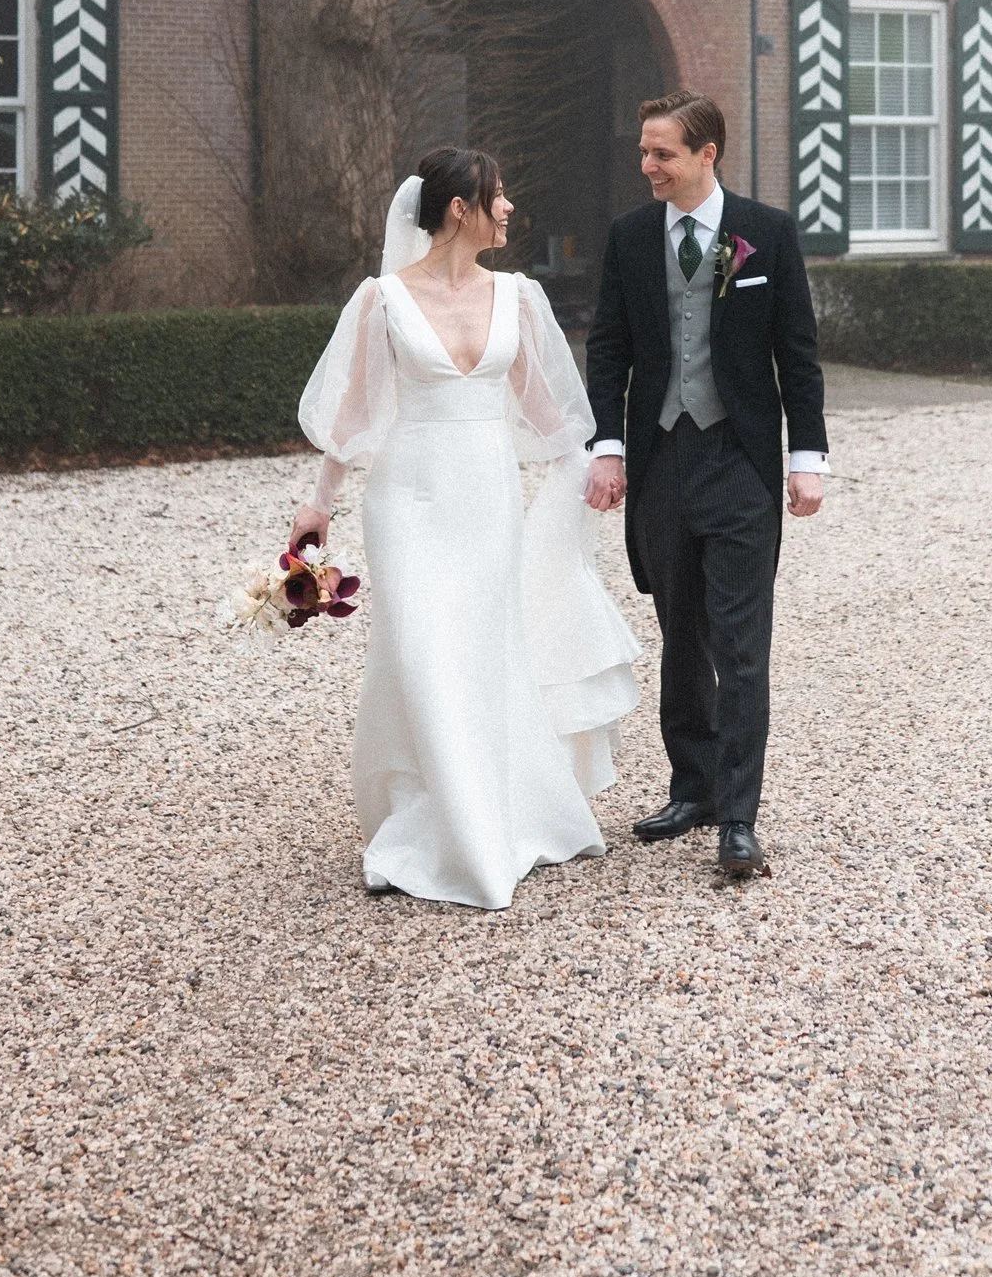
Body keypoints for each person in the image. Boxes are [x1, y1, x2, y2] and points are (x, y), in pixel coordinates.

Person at [290, 147, 640, 911]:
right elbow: (352, 416)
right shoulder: (381, 298)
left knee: (480, 651)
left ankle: (490, 816)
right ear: (459, 208)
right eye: (499, 194)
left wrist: (599, 467)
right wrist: (319, 504)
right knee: (421, 649)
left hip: (486, 499)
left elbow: (552, 416)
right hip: (407, 500)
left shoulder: (518, 297)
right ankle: (446, 830)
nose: (509, 207)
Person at [584, 90, 828, 881]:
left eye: (661, 153)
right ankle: (689, 787)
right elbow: (609, 349)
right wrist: (610, 447)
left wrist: (807, 457)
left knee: (739, 643)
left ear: (705, 155)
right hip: (660, 460)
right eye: (644, 154)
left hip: (740, 462)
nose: (646, 166)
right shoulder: (627, 239)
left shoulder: (768, 234)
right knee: (680, 631)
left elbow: (797, 354)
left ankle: (738, 817)